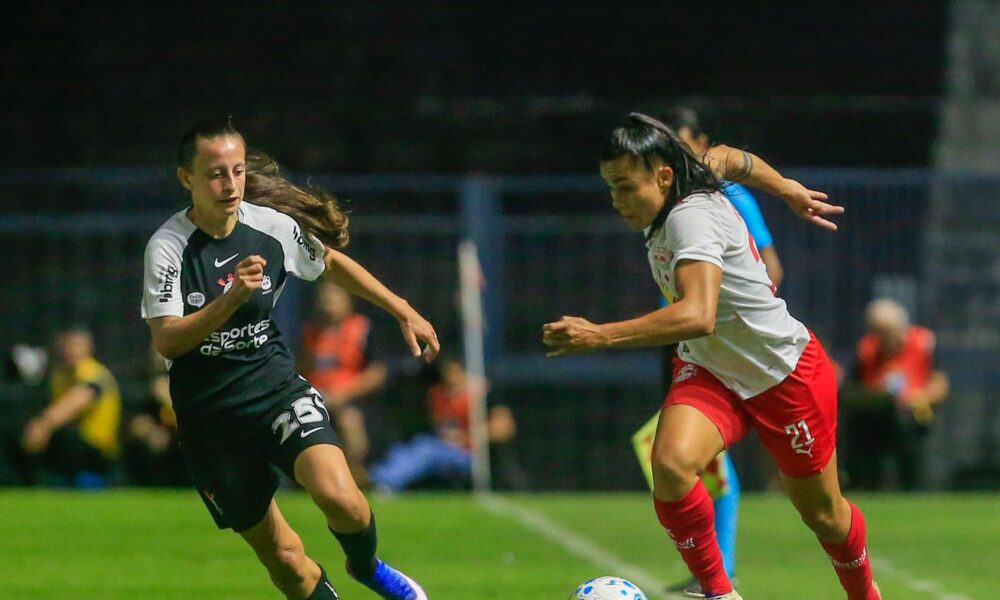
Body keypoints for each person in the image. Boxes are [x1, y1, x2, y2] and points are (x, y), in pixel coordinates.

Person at [543, 113, 880, 600]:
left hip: (782, 372)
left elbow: (697, 314)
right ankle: (721, 594)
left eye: (626, 187)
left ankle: (866, 595)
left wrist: (599, 335)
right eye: (611, 188)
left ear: (662, 176)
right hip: (712, 369)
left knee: (824, 516)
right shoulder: (683, 179)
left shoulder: (690, 219)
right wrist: (785, 188)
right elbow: (731, 158)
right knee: (671, 463)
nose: (617, 201)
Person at [141, 118, 439, 600]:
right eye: (215, 174)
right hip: (211, 422)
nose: (230, 184)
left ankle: (368, 568)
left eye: (237, 171)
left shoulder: (271, 228)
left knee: (343, 499)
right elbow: (168, 341)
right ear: (186, 178)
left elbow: (330, 263)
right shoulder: (168, 248)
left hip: (275, 391)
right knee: (284, 560)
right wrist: (231, 300)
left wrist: (402, 309)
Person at [650, 107, 787, 594]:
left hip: (719, 341)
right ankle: (713, 569)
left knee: (709, 463)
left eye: (680, 142)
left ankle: (719, 569)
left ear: (702, 141)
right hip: (679, 339)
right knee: (679, 457)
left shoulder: (727, 196)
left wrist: (721, 307)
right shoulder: (661, 199)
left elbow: (771, 268)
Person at [369, 358, 519, 493]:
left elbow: (504, 429)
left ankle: (385, 481)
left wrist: (465, 436)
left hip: (469, 452)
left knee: (426, 450)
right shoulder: (439, 395)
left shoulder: (482, 393)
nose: (449, 376)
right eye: (446, 372)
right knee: (405, 449)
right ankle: (376, 477)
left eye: (453, 371)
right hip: (443, 447)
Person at [844, 298, 949, 490]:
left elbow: (940, 384)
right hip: (876, 413)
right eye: (879, 333)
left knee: (905, 424)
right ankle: (865, 485)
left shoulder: (923, 343)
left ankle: (913, 487)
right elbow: (854, 390)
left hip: (914, 413)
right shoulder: (866, 350)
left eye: (888, 332)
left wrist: (919, 397)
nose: (884, 338)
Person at [300, 280, 388, 486]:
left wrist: (343, 395)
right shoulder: (310, 333)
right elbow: (300, 369)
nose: (327, 301)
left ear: (348, 300)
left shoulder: (362, 329)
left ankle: (355, 474)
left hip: (351, 400)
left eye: (333, 296)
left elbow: (378, 373)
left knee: (349, 421)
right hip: (315, 398)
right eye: (324, 297)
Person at [20, 327, 121, 488]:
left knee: (64, 437)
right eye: (66, 346)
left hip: (98, 448)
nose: (70, 351)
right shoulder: (59, 376)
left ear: (89, 348)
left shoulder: (95, 373)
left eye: (76, 346)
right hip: (70, 443)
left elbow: (75, 402)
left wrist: (43, 424)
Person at [123, 343, 188, 486]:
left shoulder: (186, 375)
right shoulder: (145, 378)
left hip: (181, 432)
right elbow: (137, 414)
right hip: (156, 432)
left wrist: (167, 400)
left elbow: (192, 416)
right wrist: (148, 428)